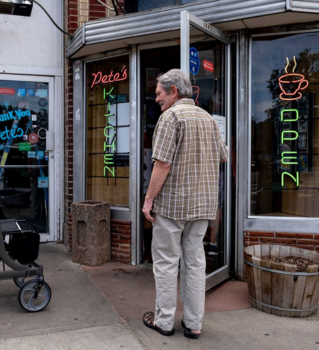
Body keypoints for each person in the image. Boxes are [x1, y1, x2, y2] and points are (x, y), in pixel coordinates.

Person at [142, 69, 228, 339]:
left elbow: (162, 163)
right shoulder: (207, 118)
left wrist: (149, 199)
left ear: (173, 91)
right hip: (202, 205)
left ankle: (164, 322)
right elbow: (222, 157)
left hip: (173, 205)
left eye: (159, 94)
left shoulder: (171, 117)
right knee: (194, 262)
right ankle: (193, 324)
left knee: (167, 262)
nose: (157, 99)